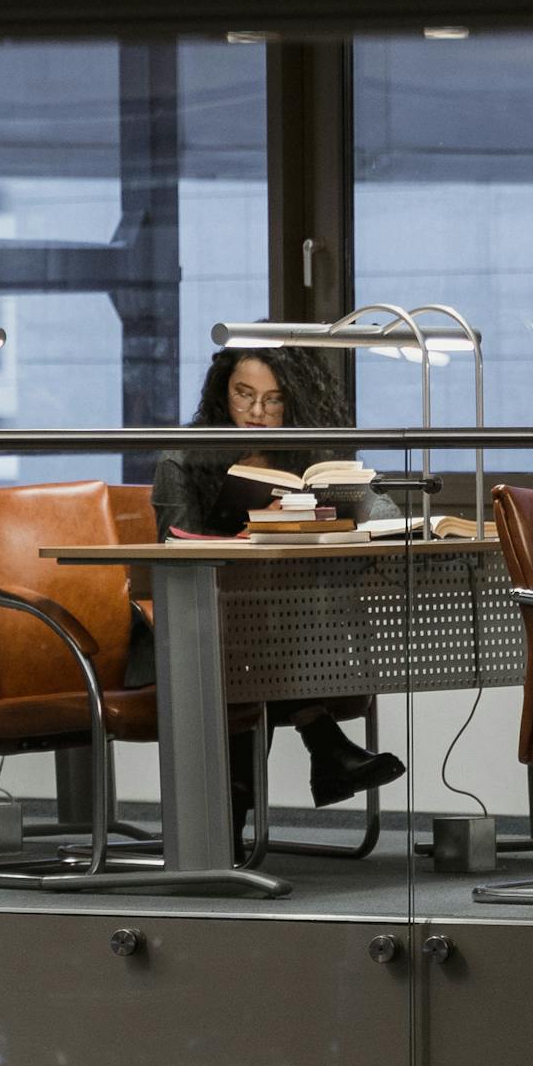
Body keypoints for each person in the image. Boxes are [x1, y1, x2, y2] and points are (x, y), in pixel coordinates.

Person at [148, 346, 407, 809]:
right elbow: (175, 546)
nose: (257, 413)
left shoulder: (311, 457)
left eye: (273, 400)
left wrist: (327, 517)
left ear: (293, 402)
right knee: (251, 634)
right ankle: (322, 745)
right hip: (198, 627)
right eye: (243, 396)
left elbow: (380, 507)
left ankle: (241, 811)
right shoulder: (184, 459)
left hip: (291, 627)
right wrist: (253, 529)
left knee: (264, 628)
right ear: (221, 394)